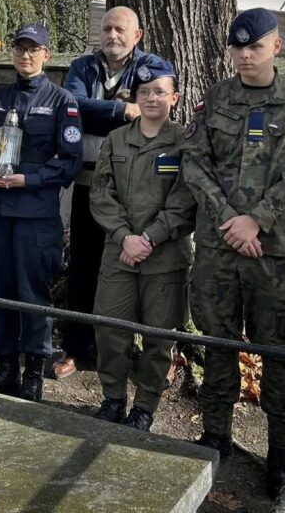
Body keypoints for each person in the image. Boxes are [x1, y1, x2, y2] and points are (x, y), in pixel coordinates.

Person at [181, 7, 285, 498]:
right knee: (217, 342)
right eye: (239, 47)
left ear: (276, 48)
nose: (246, 55)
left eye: (256, 47)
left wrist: (256, 219)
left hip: (272, 250)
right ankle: (216, 435)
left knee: (277, 350)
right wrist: (229, 219)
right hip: (220, 247)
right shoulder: (217, 97)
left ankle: (281, 452)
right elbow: (194, 163)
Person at [0, 23, 83, 402]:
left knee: (33, 293)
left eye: (32, 49)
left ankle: (34, 371)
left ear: (46, 55)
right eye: (19, 48)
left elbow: (69, 162)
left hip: (34, 214)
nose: (25, 55)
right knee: (0, 290)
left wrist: (29, 178)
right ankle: (6, 366)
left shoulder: (61, 101)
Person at [56, 6, 165, 379]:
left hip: (132, 192)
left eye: (120, 29)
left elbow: (153, 108)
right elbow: (72, 106)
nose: (112, 36)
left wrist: (105, 111)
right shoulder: (81, 68)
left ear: (138, 35)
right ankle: (76, 347)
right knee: (83, 267)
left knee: (130, 268)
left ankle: (126, 350)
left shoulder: (151, 66)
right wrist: (122, 110)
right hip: (87, 187)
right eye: (106, 29)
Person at [89, 59, 195, 431]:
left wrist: (149, 238)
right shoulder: (118, 138)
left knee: (159, 336)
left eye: (159, 92)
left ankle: (145, 405)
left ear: (175, 98)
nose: (151, 98)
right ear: (135, 96)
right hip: (120, 254)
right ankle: (113, 398)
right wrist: (125, 237)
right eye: (144, 92)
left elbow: (185, 200)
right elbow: (101, 194)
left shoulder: (184, 142)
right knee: (110, 328)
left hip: (165, 258)